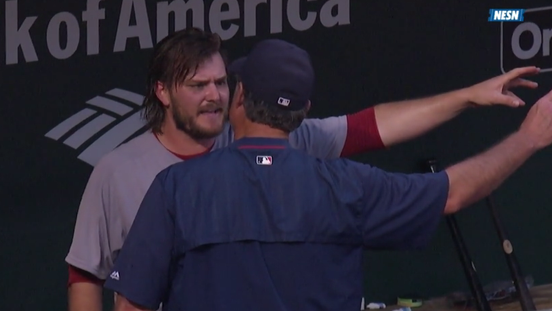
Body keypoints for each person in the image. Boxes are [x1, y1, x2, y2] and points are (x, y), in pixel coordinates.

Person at [65, 28, 539, 311]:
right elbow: (451, 192)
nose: (213, 94)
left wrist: (467, 95)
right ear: (163, 92)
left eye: (221, 83)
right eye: (198, 84)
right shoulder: (343, 182)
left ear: (240, 99)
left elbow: (370, 127)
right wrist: (529, 137)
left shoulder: (178, 188)